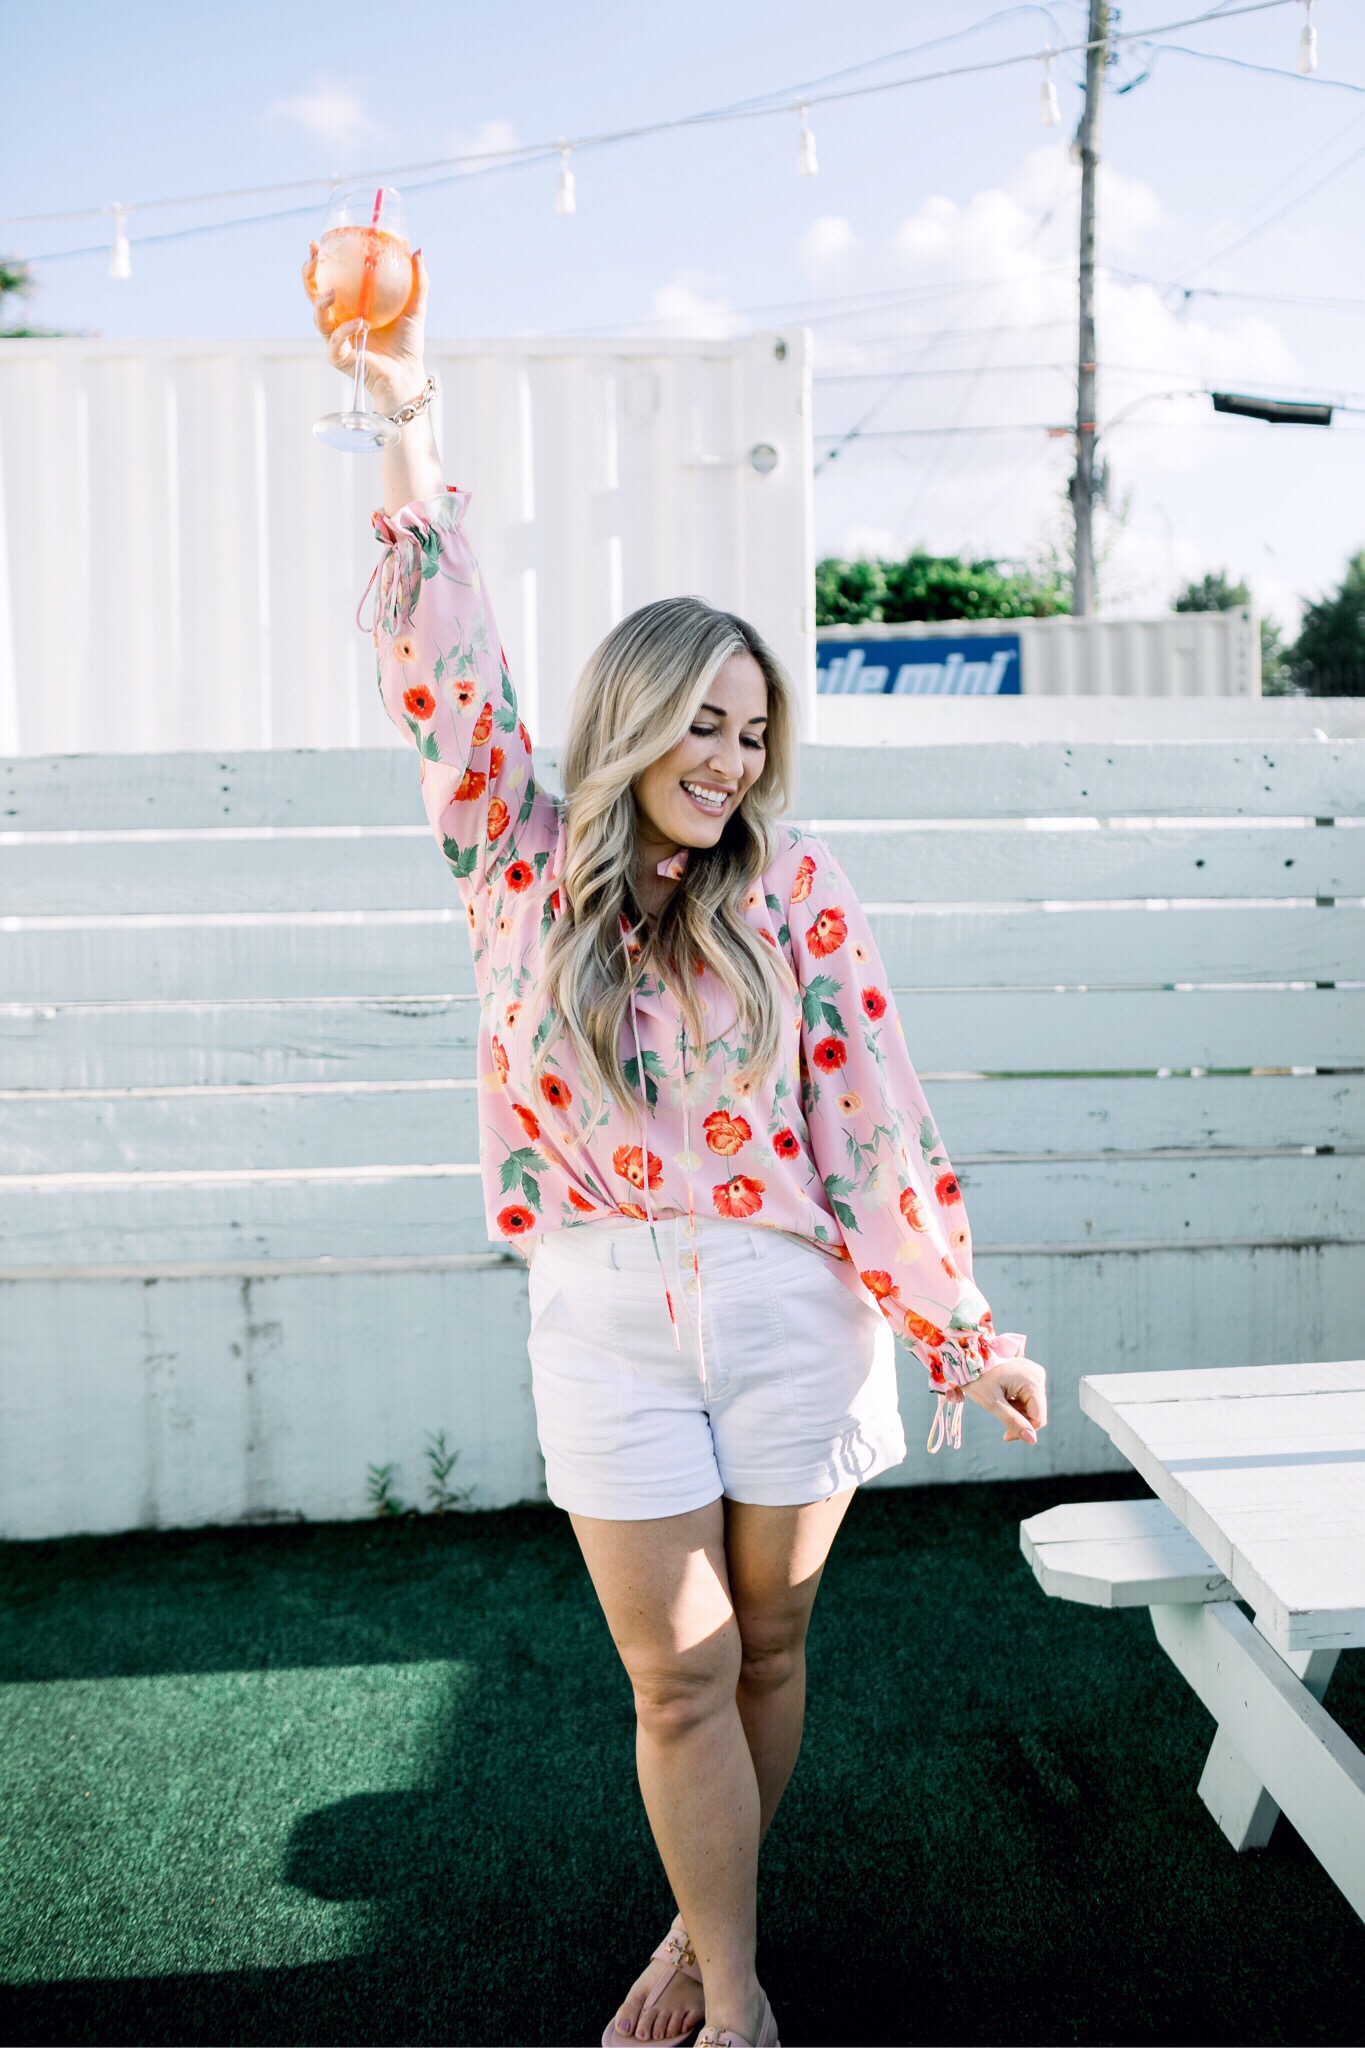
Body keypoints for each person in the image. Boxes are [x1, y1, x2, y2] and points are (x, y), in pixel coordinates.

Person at [304, 245, 1048, 2048]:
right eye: (700, 723)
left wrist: (952, 1319)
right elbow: (437, 653)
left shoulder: (791, 885)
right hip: (601, 1307)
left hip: (789, 1297)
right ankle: (727, 1964)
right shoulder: (512, 853)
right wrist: (404, 418)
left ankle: (714, 1974)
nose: (728, 759)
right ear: (634, 717)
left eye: (750, 729)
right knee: (675, 1674)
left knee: (768, 1655)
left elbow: (871, 1121)